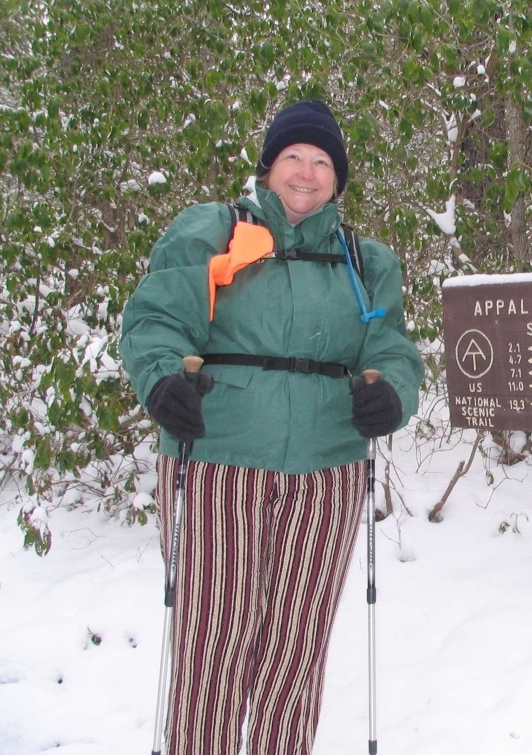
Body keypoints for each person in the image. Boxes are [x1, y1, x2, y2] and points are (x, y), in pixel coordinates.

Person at [119, 99, 424, 755]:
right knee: (215, 645)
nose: (308, 173)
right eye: (294, 158)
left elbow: (391, 349)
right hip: (218, 460)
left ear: (337, 179)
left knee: (296, 649)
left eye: (322, 163)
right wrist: (164, 377)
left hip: (328, 470)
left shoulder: (364, 262)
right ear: (268, 166)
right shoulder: (214, 231)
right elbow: (155, 319)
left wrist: (393, 392)